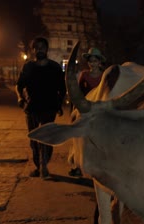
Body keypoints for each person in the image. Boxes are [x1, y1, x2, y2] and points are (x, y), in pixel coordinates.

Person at [16, 37, 66, 179]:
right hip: (31, 108)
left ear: (47, 49)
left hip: (49, 108)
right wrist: (20, 98)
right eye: (36, 47)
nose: (40, 50)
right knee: (33, 139)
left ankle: (44, 166)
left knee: (46, 138)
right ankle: (39, 166)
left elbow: (62, 89)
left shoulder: (55, 68)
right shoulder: (28, 67)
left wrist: (59, 105)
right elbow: (19, 85)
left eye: (42, 47)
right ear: (33, 50)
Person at [68, 47, 106, 177]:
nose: (92, 63)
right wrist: (74, 108)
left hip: (99, 110)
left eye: (95, 61)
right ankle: (76, 165)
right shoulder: (84, 74)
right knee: (78, 136)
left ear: (99, 62)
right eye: (90, 61)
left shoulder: (104, 75)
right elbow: (77, 92)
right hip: (85, 109)